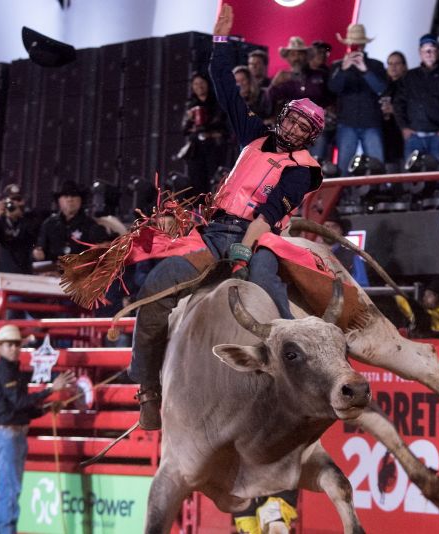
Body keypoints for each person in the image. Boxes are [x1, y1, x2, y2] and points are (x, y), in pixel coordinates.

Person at [128, 3, 324, 431]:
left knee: (269, 291)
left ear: (309, 136)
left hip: (259, 236)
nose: (291, 131)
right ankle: (146, 387)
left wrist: (244, 249)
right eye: (291, 122)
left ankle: (306, 372)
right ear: (284, 117)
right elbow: (224, 87)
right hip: (213, 229)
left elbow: (271, 214)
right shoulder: (255, 135)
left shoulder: (304, 170)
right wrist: (220, 42)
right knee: (155, 288)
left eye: (301, 129)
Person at [0, 324, 74, 534]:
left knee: (6, 492)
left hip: (8, 433)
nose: (14, 348)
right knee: (10, 492)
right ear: (1, 347)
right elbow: (19, 403)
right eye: (10, 345)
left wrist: (45, 408)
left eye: (17, 344)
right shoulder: (7, 370)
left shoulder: (9, 370)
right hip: (8, 435)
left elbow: (20, 407)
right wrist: (51, 390)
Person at [328, 23, 388, 175]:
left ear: (364, 45)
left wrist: (365, 70)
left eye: (359, 44)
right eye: (353, 44)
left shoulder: (375, 65)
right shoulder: (338, 66)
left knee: (377, 165)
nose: (356, 47)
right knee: (343, 167)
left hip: (371, 123)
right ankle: (341, 198)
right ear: (348, 44)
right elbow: (333, 88)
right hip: (347, 123)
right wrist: (343, 70)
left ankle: (376, 196)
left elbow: (381, 88)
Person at [395, 34, 439, 162]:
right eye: (425, 50)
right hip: (414, 136)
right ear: (420, 53)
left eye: (432, 49)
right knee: (412, 178)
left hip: (438, 136)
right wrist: (404, 128)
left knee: (438, 176)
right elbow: (398, 104)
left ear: (438, 51)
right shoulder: (410, 77)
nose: (429, 53)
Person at [34, 181, 109, 263]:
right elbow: (40, 248)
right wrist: (37, 254)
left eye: (74, 195)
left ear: (81, 200)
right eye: (66, 196)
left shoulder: (91, 225)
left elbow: (103, 249)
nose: (70, 199)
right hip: (51, 272)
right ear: (59, 200)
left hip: (80, 272)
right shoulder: (49, 224)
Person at [180, 72, 229, 196]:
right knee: (197, 181)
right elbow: (184, 130)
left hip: (214, 147)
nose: (199, 86)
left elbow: (223, 126)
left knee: (215, 179)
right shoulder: (190, 104)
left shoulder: (217, 102)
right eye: (195, 84)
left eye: (201, 83)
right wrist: (189, 118)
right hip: (196, 149)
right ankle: (200, 210)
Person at [268, 36, 331, 117]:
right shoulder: (282, 78)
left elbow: (331, 99)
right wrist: (274, 84)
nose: (297, 58)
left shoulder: (321, 75)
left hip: (318, 123)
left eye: (300, 54)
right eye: (293, 54)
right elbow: (269, 102)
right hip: (293, 124)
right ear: (288, 58)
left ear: (307, 57)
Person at [0, 183, 40, 274]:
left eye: (18, 199)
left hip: (25, 273)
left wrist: (21, 216)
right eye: (12, 200)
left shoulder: (30, 219)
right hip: (6, 272)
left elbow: (34, 238)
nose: (15, 203)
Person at [320, 214, 368, 286]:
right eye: (326, 226)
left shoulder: (352, 257)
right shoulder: (310, 253)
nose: (329, 230)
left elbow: (362, 286)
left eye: (334, 227)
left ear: (341, 230)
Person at [382, 51, 408, 168]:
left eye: (397, 63)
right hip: (386, 132)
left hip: (403, 131)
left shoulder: (410, 84)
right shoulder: (383, 86)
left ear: (404, 66)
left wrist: (395, 110)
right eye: (390, 63)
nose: (393, 67)